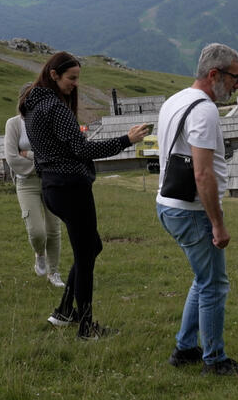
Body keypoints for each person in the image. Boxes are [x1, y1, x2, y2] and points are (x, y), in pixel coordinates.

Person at [21, 52, 148, 340]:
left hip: (52, 187)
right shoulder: (55, 107)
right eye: (71, 78)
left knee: (91, 246)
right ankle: (86, 327)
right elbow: (83, 150)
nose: (75, 85)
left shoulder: (33, 104)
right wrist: (126, 140)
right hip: (71, 187)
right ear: (54, 75)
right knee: (86, 255)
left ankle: (65, 311)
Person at [155, 43, 238, 376]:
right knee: (214, 285)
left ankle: (185, 349)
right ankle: (215, 360)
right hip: (191, 209)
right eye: (235, 78)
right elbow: (202, 172)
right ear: (215, 74)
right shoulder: (205, 109)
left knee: (204, 278)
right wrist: (217, 223)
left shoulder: (175, 100)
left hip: (168, 203)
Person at [5, 84, 64, 288]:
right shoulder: (13, 124)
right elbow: (12, 157)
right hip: (26, 182)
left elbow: (57, 153)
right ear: (22, 101)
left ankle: (54, 272)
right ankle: (40, 253)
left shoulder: (48, 122)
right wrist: (40, 163)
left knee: (53, 228)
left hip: (51, 180)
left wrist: (28, 154)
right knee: (37, 231)